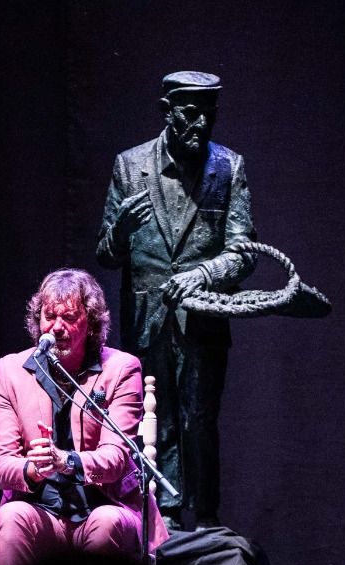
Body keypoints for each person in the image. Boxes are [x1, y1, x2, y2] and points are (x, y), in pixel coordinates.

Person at [95, 70, 256, 530]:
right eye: (191, 112)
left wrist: (205, 273)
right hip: (146, 320)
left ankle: (205, 518)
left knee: (199, 421)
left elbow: (243, 251)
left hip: (203, 318)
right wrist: (122, 231)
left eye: (209, 113)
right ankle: (161, 517)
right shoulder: (130, 165)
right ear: (168, 112)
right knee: (153, 421)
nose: (201, 123)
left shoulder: (228, 167)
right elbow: (106, 253)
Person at [0, 269, 168, 565]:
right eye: (49, 316)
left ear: (91, 323)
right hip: (39, 511)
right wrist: (33, 469)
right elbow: (1, 463)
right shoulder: (10, 371)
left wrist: (66, 461)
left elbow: (115, 459)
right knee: (11, 517)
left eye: (69, 317)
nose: (57, 327)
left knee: (107, 523)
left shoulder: (122, 369)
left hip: (104, 507)